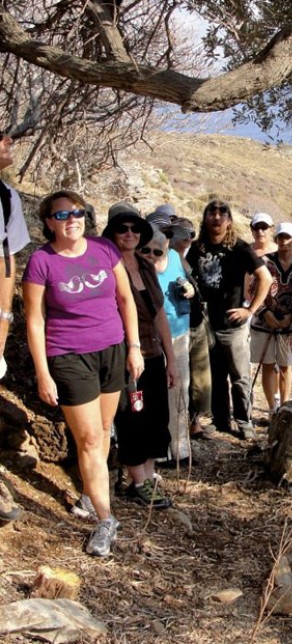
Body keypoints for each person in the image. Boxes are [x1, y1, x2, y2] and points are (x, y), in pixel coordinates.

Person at [22, 191, 144, 557]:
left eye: (77, 212)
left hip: (112, 350)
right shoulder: (41, 262)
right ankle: (106, 520)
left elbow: (125, 300)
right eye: (62, 215)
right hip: (70, 356)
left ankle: (91, 496)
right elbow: (34, 319)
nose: (72, 219)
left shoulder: (103, 250)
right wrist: (43, 372)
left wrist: (134, 347)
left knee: (103, 431)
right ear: (48, 222)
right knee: (89, 439)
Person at [102, 203, 177, 508]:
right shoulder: (106, 268)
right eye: (122, 228)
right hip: (123, 356)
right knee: (132, 417)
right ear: (112, 233)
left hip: (152, 354)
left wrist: (171, 359)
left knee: (156, 416)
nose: (130, 234)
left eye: (135, 228)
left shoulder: (145, 267)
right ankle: (138, 482)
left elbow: (159, 314)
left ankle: (148, 474)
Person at [186, 198, 271, 440]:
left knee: (240, 377)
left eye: (222, 213)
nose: (216, 216)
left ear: (229, 221)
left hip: (233, 325)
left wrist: (250, 310)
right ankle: (221, 420)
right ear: (205, 219)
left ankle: (244, 422)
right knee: (215, 376)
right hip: (205, 323)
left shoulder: (240, 248)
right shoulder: (197, 248)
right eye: (211, 212)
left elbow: (265, 278)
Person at [139, 226, 192, 462]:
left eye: (157, 251)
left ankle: (180, 448)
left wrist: (190, 289)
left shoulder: (175, 259)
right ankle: (157, 450)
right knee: (151, 396)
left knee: (179, 391)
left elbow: (190, 282)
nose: (151, 255)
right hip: (147, 340)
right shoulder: (132, 267)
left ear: (167, 247)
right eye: (146, 250)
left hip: (178, 333)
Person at [0, 129, 31, 523]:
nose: (9, 141)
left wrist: (5, 319)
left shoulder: (7, 197)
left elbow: (7, 264)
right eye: (1, 136)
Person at [250, 222, 292, 413]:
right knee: (267, 364)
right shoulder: (264, 261)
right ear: (276, 239)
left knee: (285, 365)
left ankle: (284, 406)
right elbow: (253, 289)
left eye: (288, 237)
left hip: (288, 324)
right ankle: (271, 409)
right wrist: (264, 313)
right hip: (263, 321)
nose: (284, 241)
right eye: (281, 237)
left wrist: (290, 316)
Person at [169, 217, 213, 439]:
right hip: (177, 327)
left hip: (195, 322)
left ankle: (195, 422)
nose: (188, 238)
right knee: (183, 379)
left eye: (191, 233)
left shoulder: (189, 257)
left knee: (200, 378)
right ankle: (181, 430)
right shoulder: (165, 258)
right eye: (184, 233)